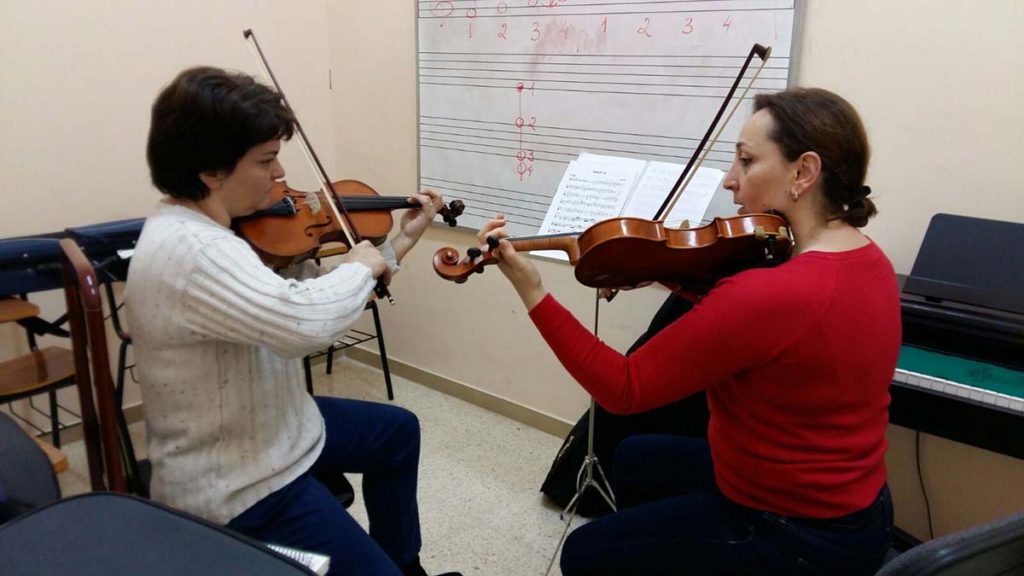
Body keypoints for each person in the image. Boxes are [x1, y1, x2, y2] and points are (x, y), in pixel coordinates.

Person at [477, 87, 899, 575]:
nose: (729, 181)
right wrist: (661, 267)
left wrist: (532, 290)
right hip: (860, 509)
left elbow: (625, 387)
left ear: (803, 172)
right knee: (636, 457)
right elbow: (773, 335)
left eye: (746, 160)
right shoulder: (868, 260)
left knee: (584, 554)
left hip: (795, 532)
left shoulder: (770, 292)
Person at [127, 66, 460, 576]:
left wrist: (398, 244)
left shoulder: (218, 230)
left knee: (396, 433)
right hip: (241, 484)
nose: (281, 176)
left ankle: (403, 562)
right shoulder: (195, 250)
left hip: (277, 426)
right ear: (211, 171)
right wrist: (360, 265)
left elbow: (297, 291)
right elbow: (305, 322)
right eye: (265, 161)